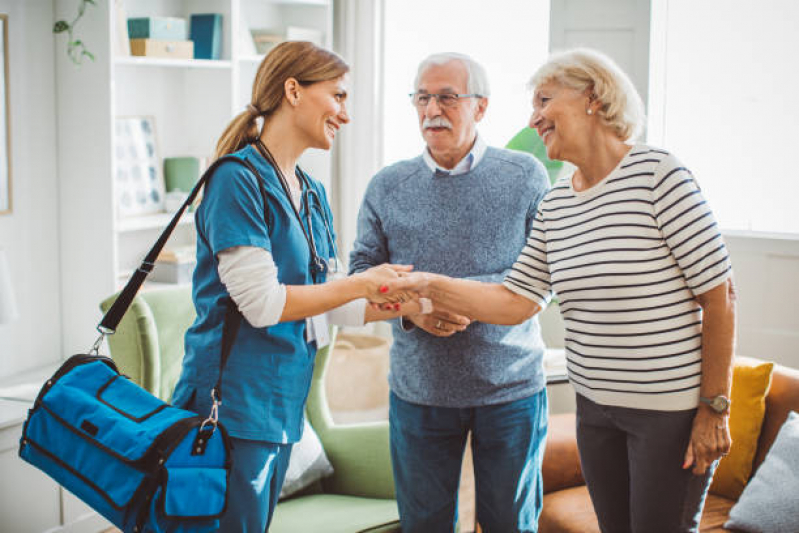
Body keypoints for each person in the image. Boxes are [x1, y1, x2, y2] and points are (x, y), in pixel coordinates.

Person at [392, 48, 736, 533]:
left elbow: (720, 297)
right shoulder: (556, 204)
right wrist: (429, 286)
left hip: (667, 415)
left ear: (594, 97)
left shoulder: (659, 175)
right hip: (595, 412)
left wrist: (714, 408)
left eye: (544, 101)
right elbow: (517, 300)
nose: (533, 119)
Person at [170, 41, 423, 532]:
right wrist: (362, 282)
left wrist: (411, 307)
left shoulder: (311, 192)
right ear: (293, 90)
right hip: (233, 407)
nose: (345, 115)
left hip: (281, 404)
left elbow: (325, 303)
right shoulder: (236, 180)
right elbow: (263, 304)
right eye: (338, 95)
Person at [349, 52, 551, 532]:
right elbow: (359, 276)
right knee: (423, 526)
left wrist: (447, 295)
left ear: (480, 107)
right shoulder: (387, 185)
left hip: (511, 387)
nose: (430, 110)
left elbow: (540, 274)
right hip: (420, 390)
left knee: (510, 524)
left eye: (446, 97)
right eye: (422, 97)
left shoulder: (524, 176)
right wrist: (414, 311)